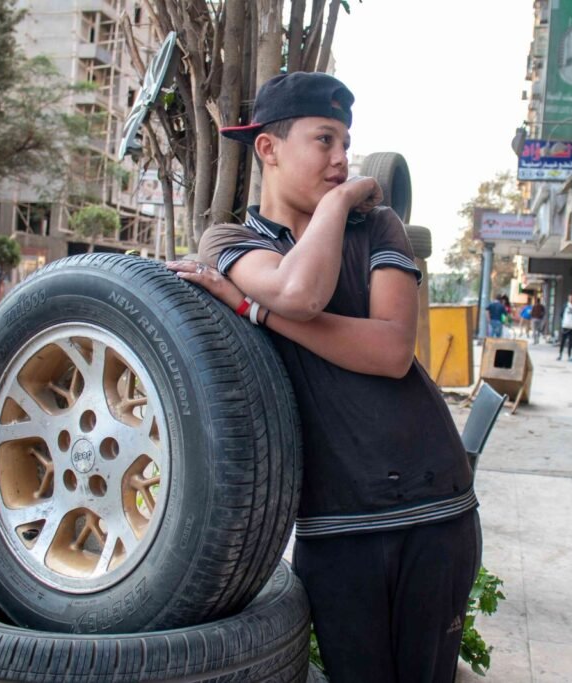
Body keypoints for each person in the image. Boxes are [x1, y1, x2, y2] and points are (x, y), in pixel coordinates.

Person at [165, 72, 479, 683]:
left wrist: (253, 310)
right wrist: (332, 209)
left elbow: (391, 350)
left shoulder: (378, 227)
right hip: (333, 522)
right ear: (268, 148)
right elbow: (298, 290)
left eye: (347, 144)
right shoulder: (229, 239)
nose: (342, 160)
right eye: (325, 140)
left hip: (435, 504)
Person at [557, 294, 572, 362]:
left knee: (571, 342)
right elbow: (561, 314)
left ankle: (569, 356)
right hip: (565, 326)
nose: (571, 300)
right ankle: (560, 355)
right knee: (563, 341)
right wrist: (565, 321)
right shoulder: (565, 306)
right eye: (569, 298)